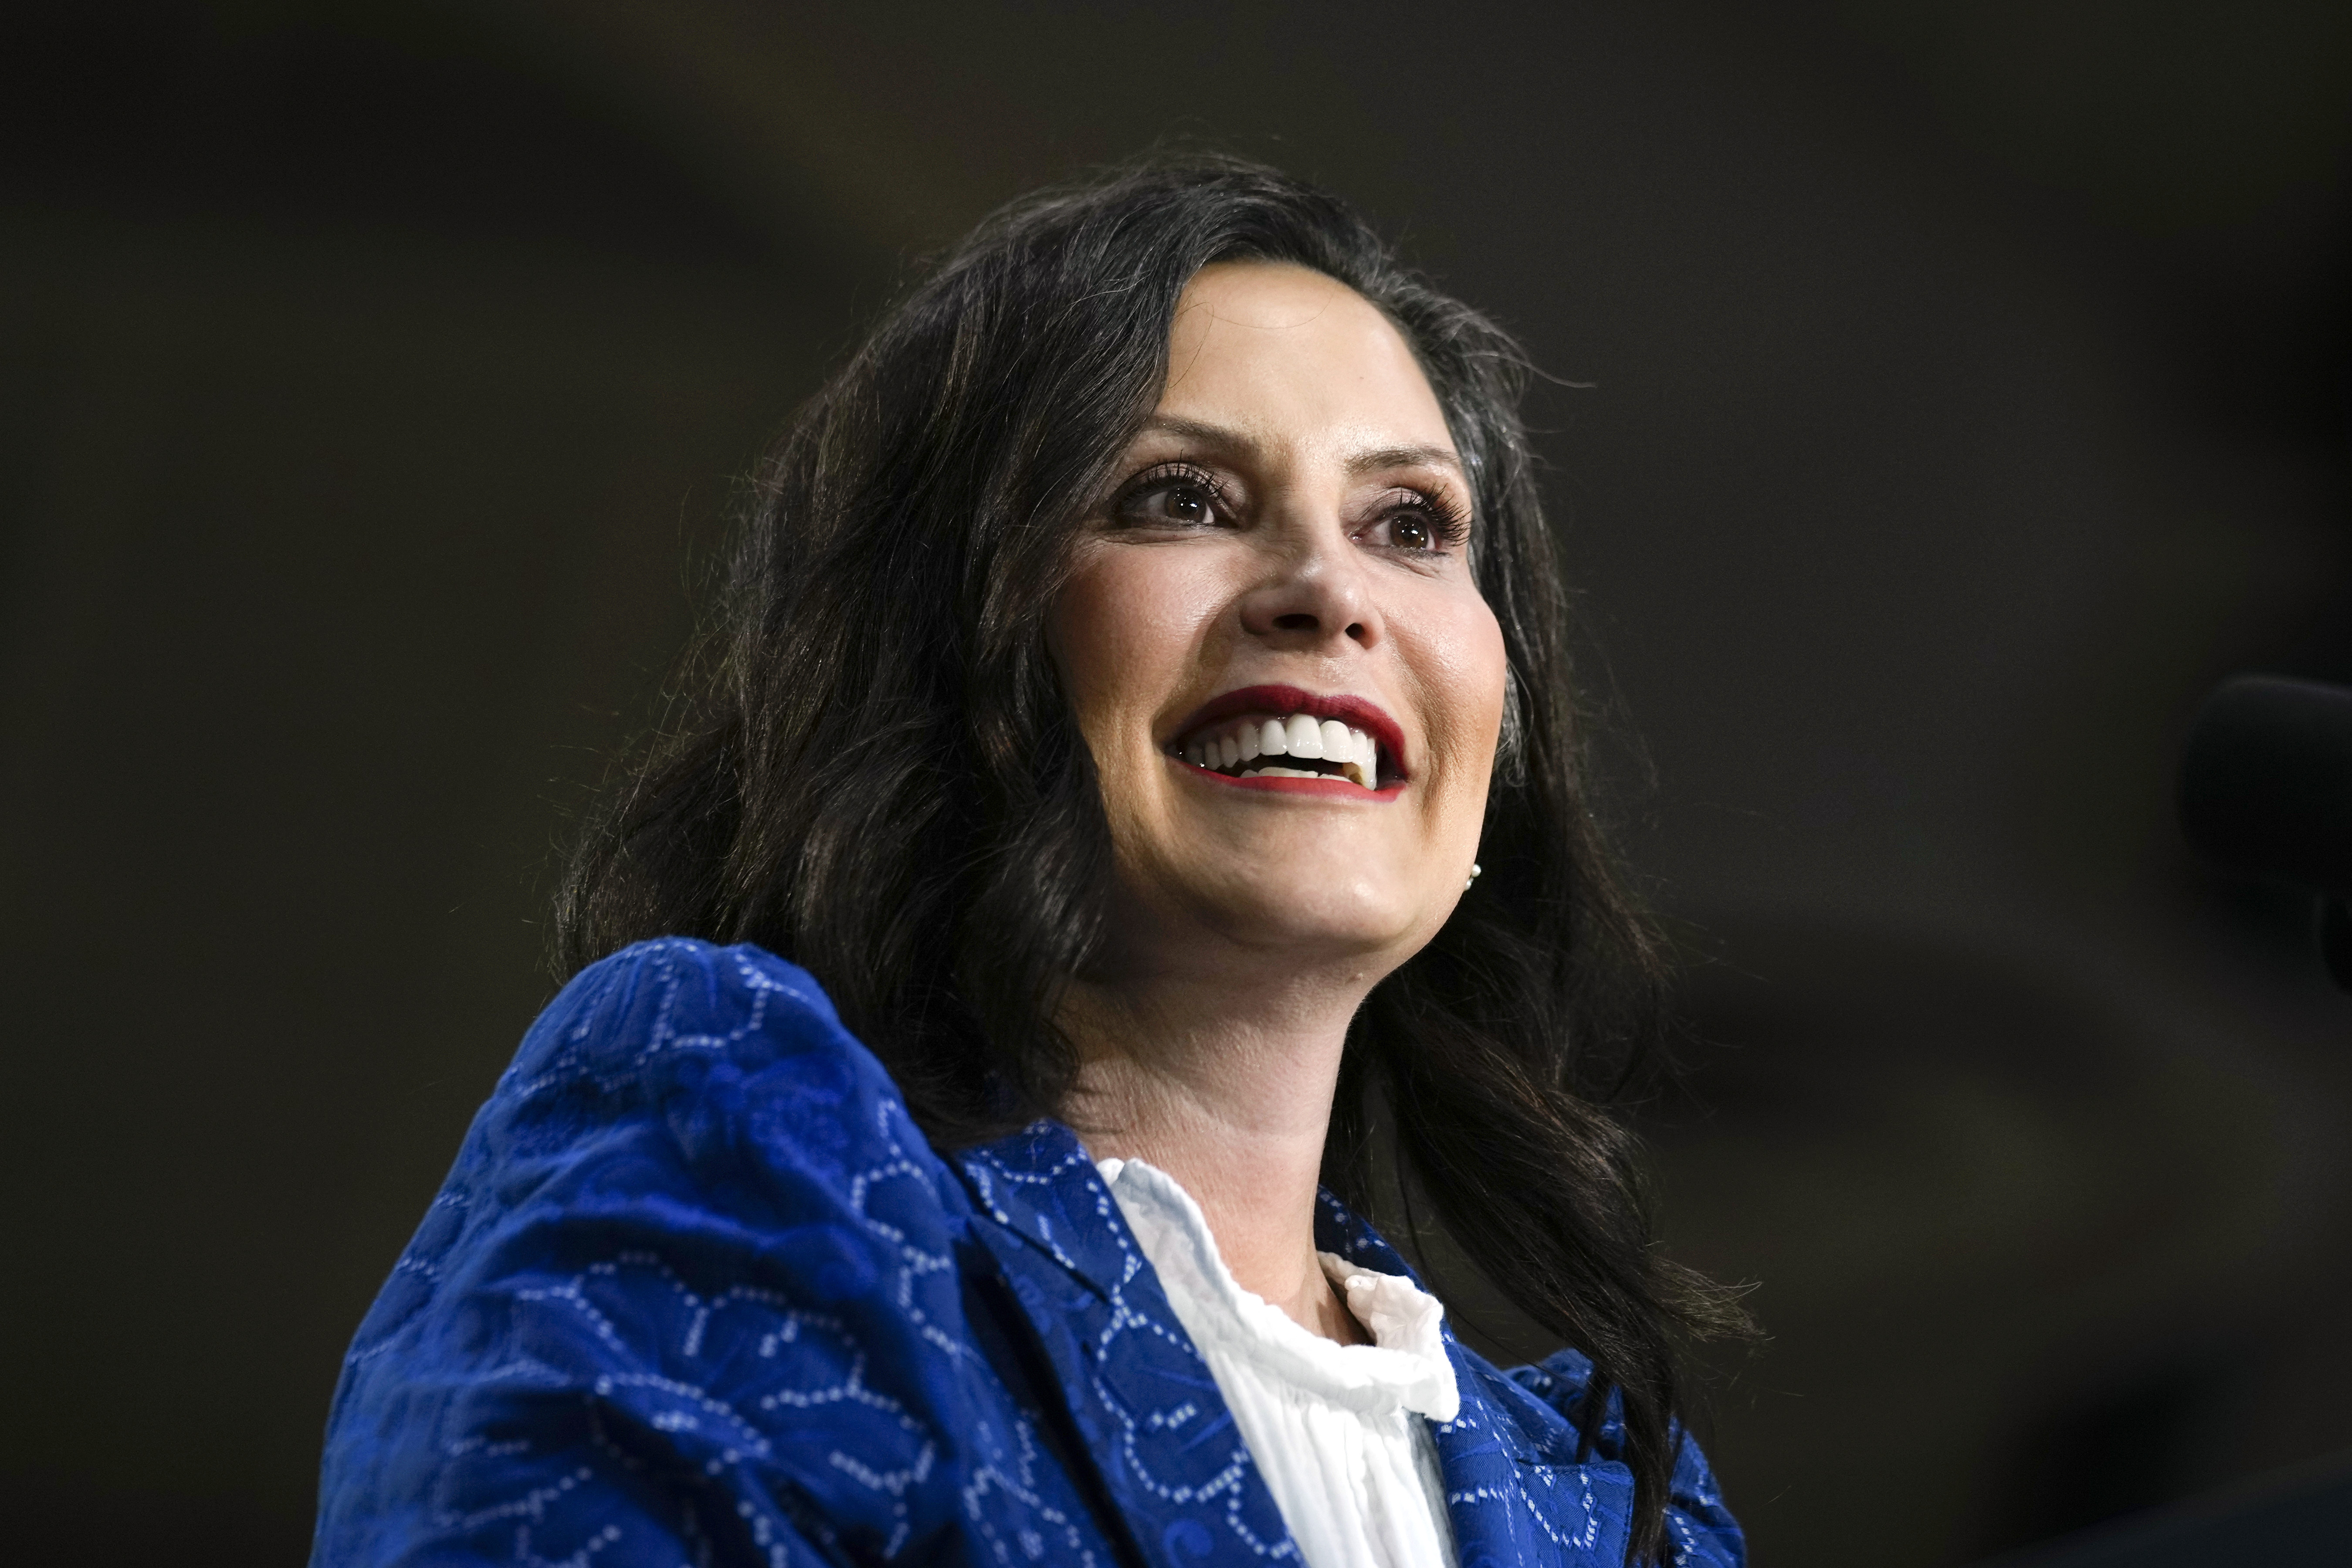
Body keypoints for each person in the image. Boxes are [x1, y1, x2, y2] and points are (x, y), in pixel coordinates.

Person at [310, 155, 1749, 1568]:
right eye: (1179, 496)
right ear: (954, 645)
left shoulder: (1628, 1516)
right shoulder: (741, 1134)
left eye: (1411, 525)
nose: (1330, 590)